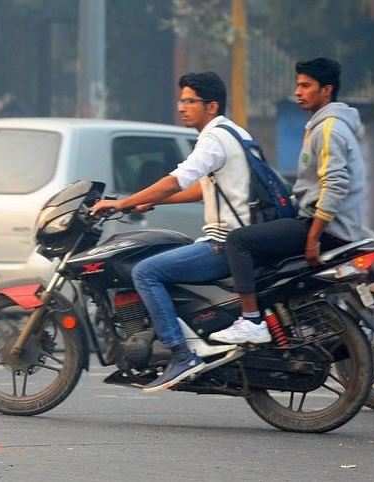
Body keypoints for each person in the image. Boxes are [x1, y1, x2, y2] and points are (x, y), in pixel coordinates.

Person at [91, 72, 265, 392]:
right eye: (181, 100)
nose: (182, 107)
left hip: (224, 242)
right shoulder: (234, 133)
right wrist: (147, 203)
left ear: (211, 106)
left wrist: (121, 203)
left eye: (190, 101)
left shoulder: (213, 138)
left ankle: (180, 353)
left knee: (146, 271)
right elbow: (201, 189)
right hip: (242, 238)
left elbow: (177, 180)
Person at [210, 57, 365, 344]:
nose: (298, 91)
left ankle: (251, 321)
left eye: (306, 86)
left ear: (326, 90)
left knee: (238, 241)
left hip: (326, 229)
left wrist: (313, 237)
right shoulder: (322, 125)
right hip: (320, 223)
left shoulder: (330, 128)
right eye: (298, 85)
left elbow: (334, 184)